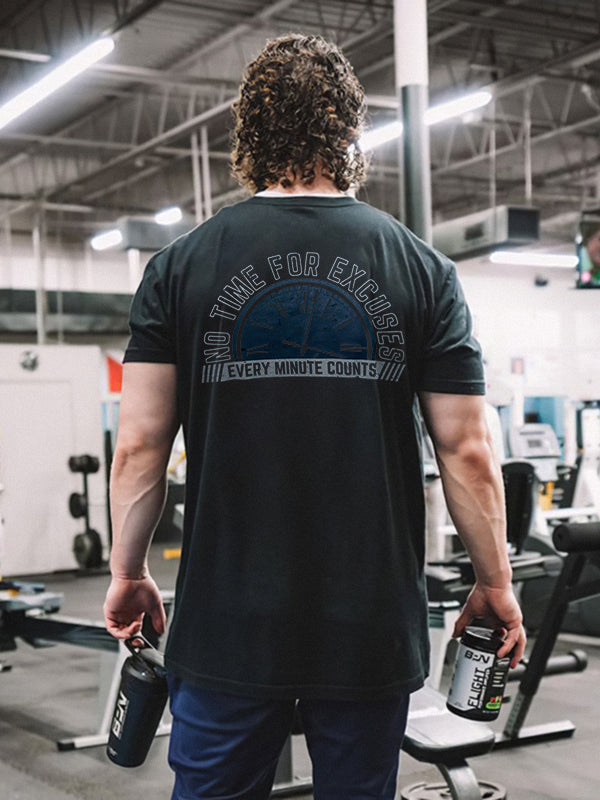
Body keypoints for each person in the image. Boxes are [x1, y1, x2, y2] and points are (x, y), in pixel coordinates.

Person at [103, 33, 526, 800]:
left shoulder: (179, 267)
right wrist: (494, 581)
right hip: (367, 620)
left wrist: (128, 573)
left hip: (227, 619)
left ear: (249, 134)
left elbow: (137, 446)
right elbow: (466, 449)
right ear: (348, 131)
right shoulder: (421, 268)